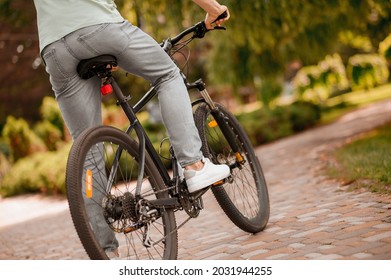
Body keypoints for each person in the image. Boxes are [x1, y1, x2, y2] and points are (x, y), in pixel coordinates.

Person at [33, 0, 230, 257]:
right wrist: (213, 8)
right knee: (167, 75)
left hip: (54, 47)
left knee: (87, 149)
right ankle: (194, 166)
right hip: (99, 27)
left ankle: (105, 252)